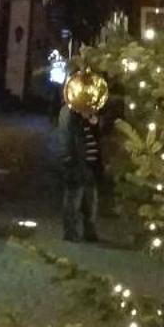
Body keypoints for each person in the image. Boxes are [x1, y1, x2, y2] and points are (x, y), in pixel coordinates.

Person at [58, 97, 102, 241]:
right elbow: (67, 138)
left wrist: (92, 120)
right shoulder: (69, 113)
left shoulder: (86, 115)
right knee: (73, 199)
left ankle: (89, 231)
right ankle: (71, 232)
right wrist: (69, 159)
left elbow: (97, 134)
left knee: (90, 199)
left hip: (90, 164)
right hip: (76, 164)